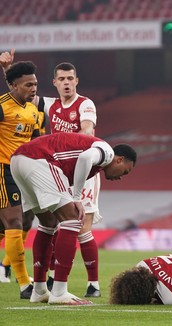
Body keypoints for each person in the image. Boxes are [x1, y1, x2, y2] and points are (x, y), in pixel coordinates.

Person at [1, 50, 103, 297]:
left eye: (71, 78)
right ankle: (42, 282)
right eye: (62, 79)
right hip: (52, 170)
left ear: (76, 81)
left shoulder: (85, 104)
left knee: (79, 226)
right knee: (50, 224)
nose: (67, 83)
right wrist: (8, 70)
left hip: (83, 168)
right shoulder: (48, 105)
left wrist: (69, 145)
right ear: (55, 82)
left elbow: (88, 132)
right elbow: (17, 93)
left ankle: (93, 284)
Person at [10, 132, 137, 305]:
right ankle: (59, 292)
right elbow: (85, 158)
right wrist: (76, 197)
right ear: (119, 160)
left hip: (18, 160)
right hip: (40, 159)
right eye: (126, 171)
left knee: (48, 223)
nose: (122, 176)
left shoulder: (98, 164)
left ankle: (39, 290)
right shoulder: (106, 151)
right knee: (72, 220)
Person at [0, 59, 40, 298]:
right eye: (28, 85)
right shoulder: (3, 107)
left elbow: (35, 142)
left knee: (25, 222)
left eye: (35, 84)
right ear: (13, 85)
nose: (33, 88)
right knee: (13, 222)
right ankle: (25, 284)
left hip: (24, 172)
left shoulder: (33, 110)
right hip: (3, 170)